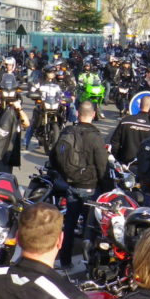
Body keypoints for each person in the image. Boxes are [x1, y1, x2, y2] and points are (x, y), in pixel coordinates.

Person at [51, 100, 109, 269]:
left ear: (77, 113)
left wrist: (64, 175)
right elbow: (102, 166)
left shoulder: (67, 132)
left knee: (69, 223)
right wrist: (107, 189)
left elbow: (54, 157)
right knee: (91, 226)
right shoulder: (96, 137)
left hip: (71, 184)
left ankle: (65, 261)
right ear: (94, 114)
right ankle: (90, 263)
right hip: (90, 187)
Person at [24, 66, 66, 151]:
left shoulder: (57, 83)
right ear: (46, 73)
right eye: (50, 72)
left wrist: (65, 97)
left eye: (53, 72)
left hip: (54, 105)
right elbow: (32, 89)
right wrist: (33, 95)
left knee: (63, 112)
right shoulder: (40, 81)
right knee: (33, 123)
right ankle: (25, 142)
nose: (52, 74)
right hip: (42, 106)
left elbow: (62, 93)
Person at [108, 94, 150, 165]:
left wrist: (118, 159)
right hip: (144, 165)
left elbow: (114, 143)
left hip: (125, 162)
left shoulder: (126, 121)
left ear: (139, 105)